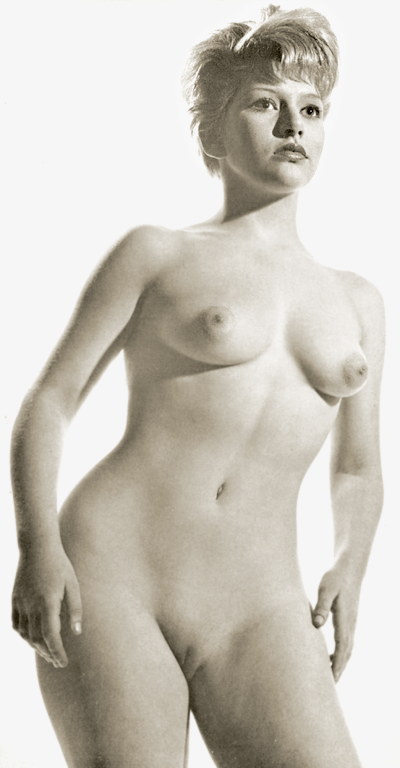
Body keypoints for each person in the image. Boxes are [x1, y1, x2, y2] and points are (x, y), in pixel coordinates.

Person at [10, 5, 384, 767]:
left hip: (260, 600)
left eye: (311, 109)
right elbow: (50, 400)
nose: (293, 125)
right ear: (213, 131)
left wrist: (350, 565)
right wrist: (37, 546)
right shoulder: (158, 254)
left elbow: (357, 465)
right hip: (114, 573)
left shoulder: (358, 300)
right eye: (265, 103)